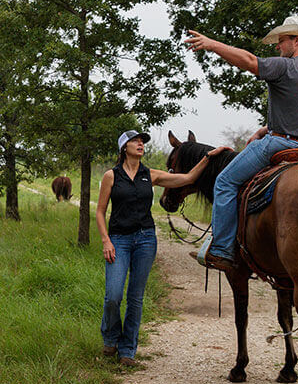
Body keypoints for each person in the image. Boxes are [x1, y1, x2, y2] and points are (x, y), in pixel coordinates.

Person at [183, 15, 298, 273]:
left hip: (281, 144)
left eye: (281, 41)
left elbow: (250, 62)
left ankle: (220, 250)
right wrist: (264, 129)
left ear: (296, 41)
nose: (277, 46)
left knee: (225, 182)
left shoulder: (287, 67)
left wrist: (211, 44)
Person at [96, 129, 230, 366]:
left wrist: (210, 157)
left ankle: (127, 351)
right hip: (119, 240)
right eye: (135, 141)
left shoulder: (151, 175)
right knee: (113, 296)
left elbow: (188, 178)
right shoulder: (111, 176)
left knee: (136, 297)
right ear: (123, 148)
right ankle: (110, 337)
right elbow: (100, 211)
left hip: (146, 240)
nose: (140, 144)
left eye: (142, 141)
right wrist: (106, 240)